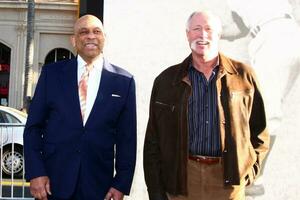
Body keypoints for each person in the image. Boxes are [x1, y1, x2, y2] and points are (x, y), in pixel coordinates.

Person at [143, 10, 270, 200]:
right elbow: (153, 142)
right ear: (187, 35)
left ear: (219, 35)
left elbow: (259, 133)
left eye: (209, 29)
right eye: (196, 29)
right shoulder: (166, 81)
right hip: (183, 182)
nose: (202, 35)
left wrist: (248, 172)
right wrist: (156, 191)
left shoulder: (244, 76)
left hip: (228, 184)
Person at [23, 15, 137, 200]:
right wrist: (36, 172)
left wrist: (121, 183)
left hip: (100, 186)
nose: (91, 36)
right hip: (53, 183)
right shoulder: (51, 74)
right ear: (74, 40)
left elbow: (127, 139)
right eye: (83, 32)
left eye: (96, 31)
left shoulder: (124, 82)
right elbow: (33, 128)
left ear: (104, 38)